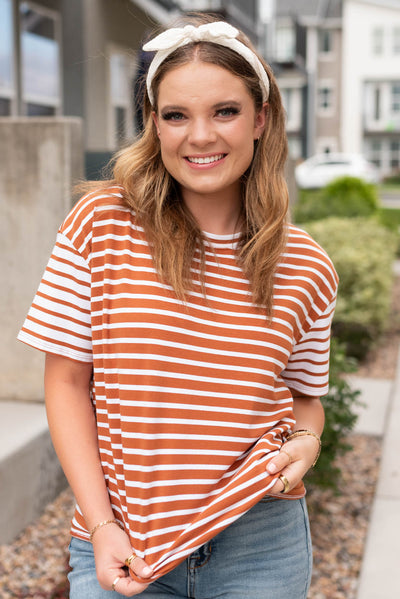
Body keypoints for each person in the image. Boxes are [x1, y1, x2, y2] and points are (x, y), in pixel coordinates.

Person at [18, 13, 338, 599]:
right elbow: (66, 384)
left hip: (260, 545)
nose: (201, 136)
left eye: (225, 111)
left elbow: (303, 399)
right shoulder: (101, 227)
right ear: (153, 124)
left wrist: (306, 443)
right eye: (176, 115)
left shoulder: (307, 265)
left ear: (261, 118)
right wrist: (102, 524)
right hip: (123, 540)